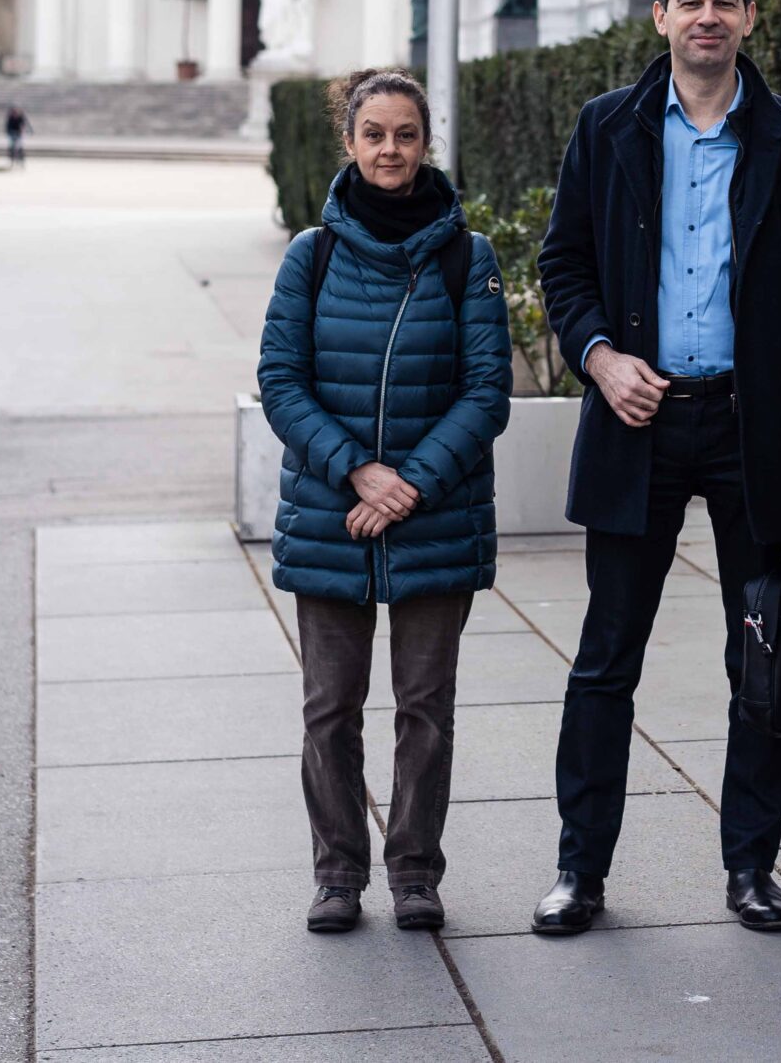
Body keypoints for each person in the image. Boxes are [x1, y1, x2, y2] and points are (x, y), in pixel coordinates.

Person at [531, 0, 781, 936]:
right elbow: (564, 264)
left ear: (750, 17)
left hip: (755, 431)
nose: (707, 15)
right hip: (639, 423)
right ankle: (580, 872)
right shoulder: (608, 128)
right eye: (690, 0)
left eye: (725, 0)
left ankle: (751, 868)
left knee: (761, 655)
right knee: (605, 658)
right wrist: (597, 357)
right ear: (660, 16)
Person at [256, 70, 513, 937]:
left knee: (424, 707)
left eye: (406, 134)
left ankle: (413, 871)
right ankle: (336, 872)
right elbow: (281, 383)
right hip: (333, 513)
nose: (390, 149)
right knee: (329, 707)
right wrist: (359, 471)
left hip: (434, 513)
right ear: (351, 141)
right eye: (375, 133)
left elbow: (486, 393)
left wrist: (409, 484)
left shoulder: (466, 257)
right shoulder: (312, 255)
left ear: (425, 141)